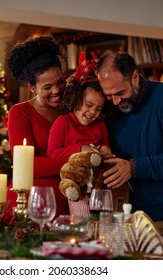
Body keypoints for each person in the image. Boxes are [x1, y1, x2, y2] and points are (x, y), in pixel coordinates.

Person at [95, 51, 163, 250]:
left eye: (120, 93)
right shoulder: (110, 109)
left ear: (135, 77)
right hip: (140, 214)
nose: (115, 101)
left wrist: (133, 167)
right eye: (108, 95)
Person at [5, 35, 70, 217]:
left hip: (68, 203)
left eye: (60, 82)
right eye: (47, 87)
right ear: (32, 87)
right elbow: (27, 165)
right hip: (28, 204)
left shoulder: (72, 110)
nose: (56, 91)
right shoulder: (20, 112)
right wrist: (76, 160)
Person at [47, 52, 112, 217]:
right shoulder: (63, 122)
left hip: (100, 185)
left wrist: (105, 151)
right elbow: (52, 153)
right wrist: (81, 149)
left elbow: (106, 148)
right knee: (82, 224)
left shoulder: (101, 125)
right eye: (89, 105)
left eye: (98, 109)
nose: (93, 112)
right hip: (78, 185)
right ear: (77, 98)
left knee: (102, 222)